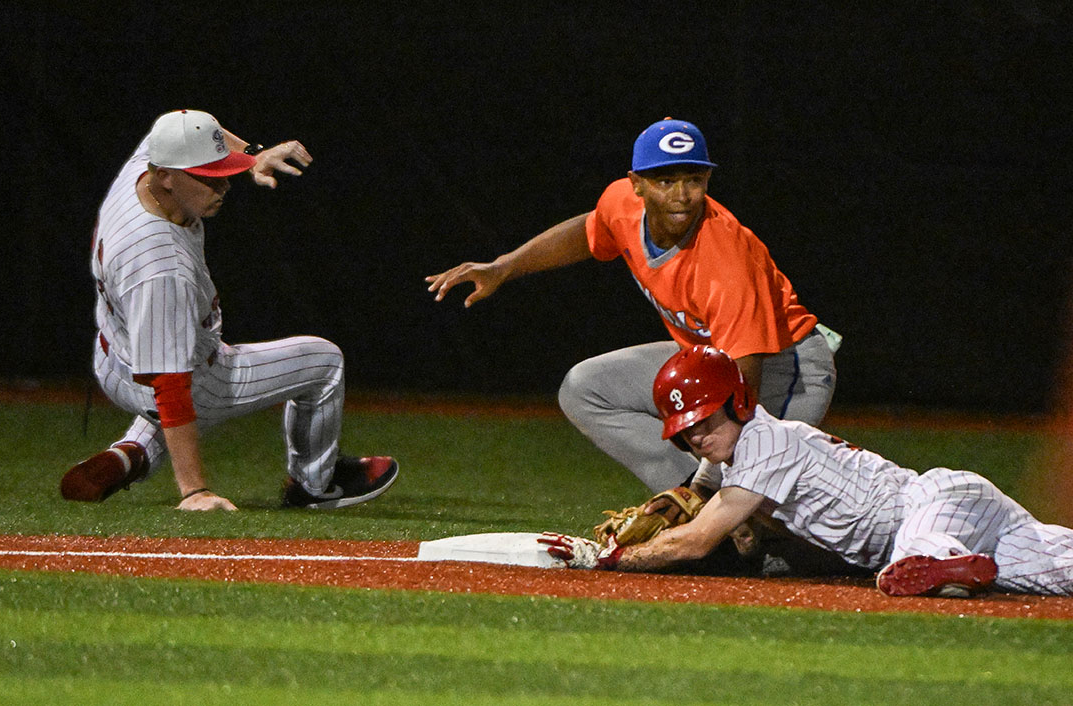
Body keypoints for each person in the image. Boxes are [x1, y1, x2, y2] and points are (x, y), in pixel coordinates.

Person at [427, 118, 839, 494]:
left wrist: (712, 488)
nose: (681, 195)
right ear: (636, 184)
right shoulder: (621, 203)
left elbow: (742, 388)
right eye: (665, 180)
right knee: (586, 388)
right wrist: (505, 266)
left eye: (693, 179)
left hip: (785, 365)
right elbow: (590, 230)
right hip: (708, 358)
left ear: (708, 180)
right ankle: (681, 496)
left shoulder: (725, 258)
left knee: (758, 502)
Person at [60, 109, 398, 512]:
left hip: (111, 355)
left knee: (167, 374)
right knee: (324, 361)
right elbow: (170, 384)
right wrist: (194, 491)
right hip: (168, 375)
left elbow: (198, 129)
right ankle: (315, 485)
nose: (222, 186)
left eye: (225, 171)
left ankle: (132, 453)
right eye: (208, 177)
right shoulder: (158, 263)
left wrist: (254, 154)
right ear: (166, 175)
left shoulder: (150, 164)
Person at [540, 345, 1073, 597]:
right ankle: (949, 565)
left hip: (936, 501)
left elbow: (696, 541)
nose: (695, 435)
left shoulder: (765, 441)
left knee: (907, 564)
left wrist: (606, 558)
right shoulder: (729, 457)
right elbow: (699, 496)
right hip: (964, 524)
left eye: (705, 419)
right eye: (683, 429)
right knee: (1058, 570)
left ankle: (938, 566)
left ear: (739, 401)